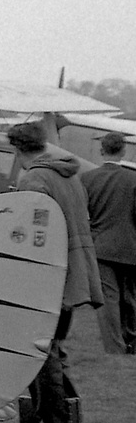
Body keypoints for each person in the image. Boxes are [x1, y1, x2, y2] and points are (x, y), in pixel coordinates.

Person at [8, 122, 103, 423]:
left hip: (47, 274)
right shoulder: (68, 174)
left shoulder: (34, 177)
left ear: (17, 148)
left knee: (39, 346)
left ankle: (55, 422)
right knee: (54, 346)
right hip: (73, 270)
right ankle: (63, 413)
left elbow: (30, 232)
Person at [80, 134, 136, 354]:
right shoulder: (133, 180)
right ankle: (131, 340)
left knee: (109, 298)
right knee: (130, 297)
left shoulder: (87, 179)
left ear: (101, 151)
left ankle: (114, 347)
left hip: (101, 246)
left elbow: (83, 214)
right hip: (131, 246)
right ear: (123, 151)